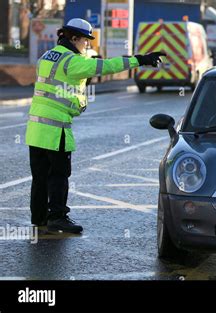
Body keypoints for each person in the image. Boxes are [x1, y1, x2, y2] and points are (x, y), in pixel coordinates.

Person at [26, 18, 166, 234]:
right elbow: (107, 66)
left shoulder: (47, 57)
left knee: (40, 176)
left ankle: (39, 218)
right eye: (85, 41)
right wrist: (140, 59)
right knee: (60, 175)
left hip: (35, 129)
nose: (87, 45)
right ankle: (58, 217)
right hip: (56, 129)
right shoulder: (72, 61)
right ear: (74, 38)